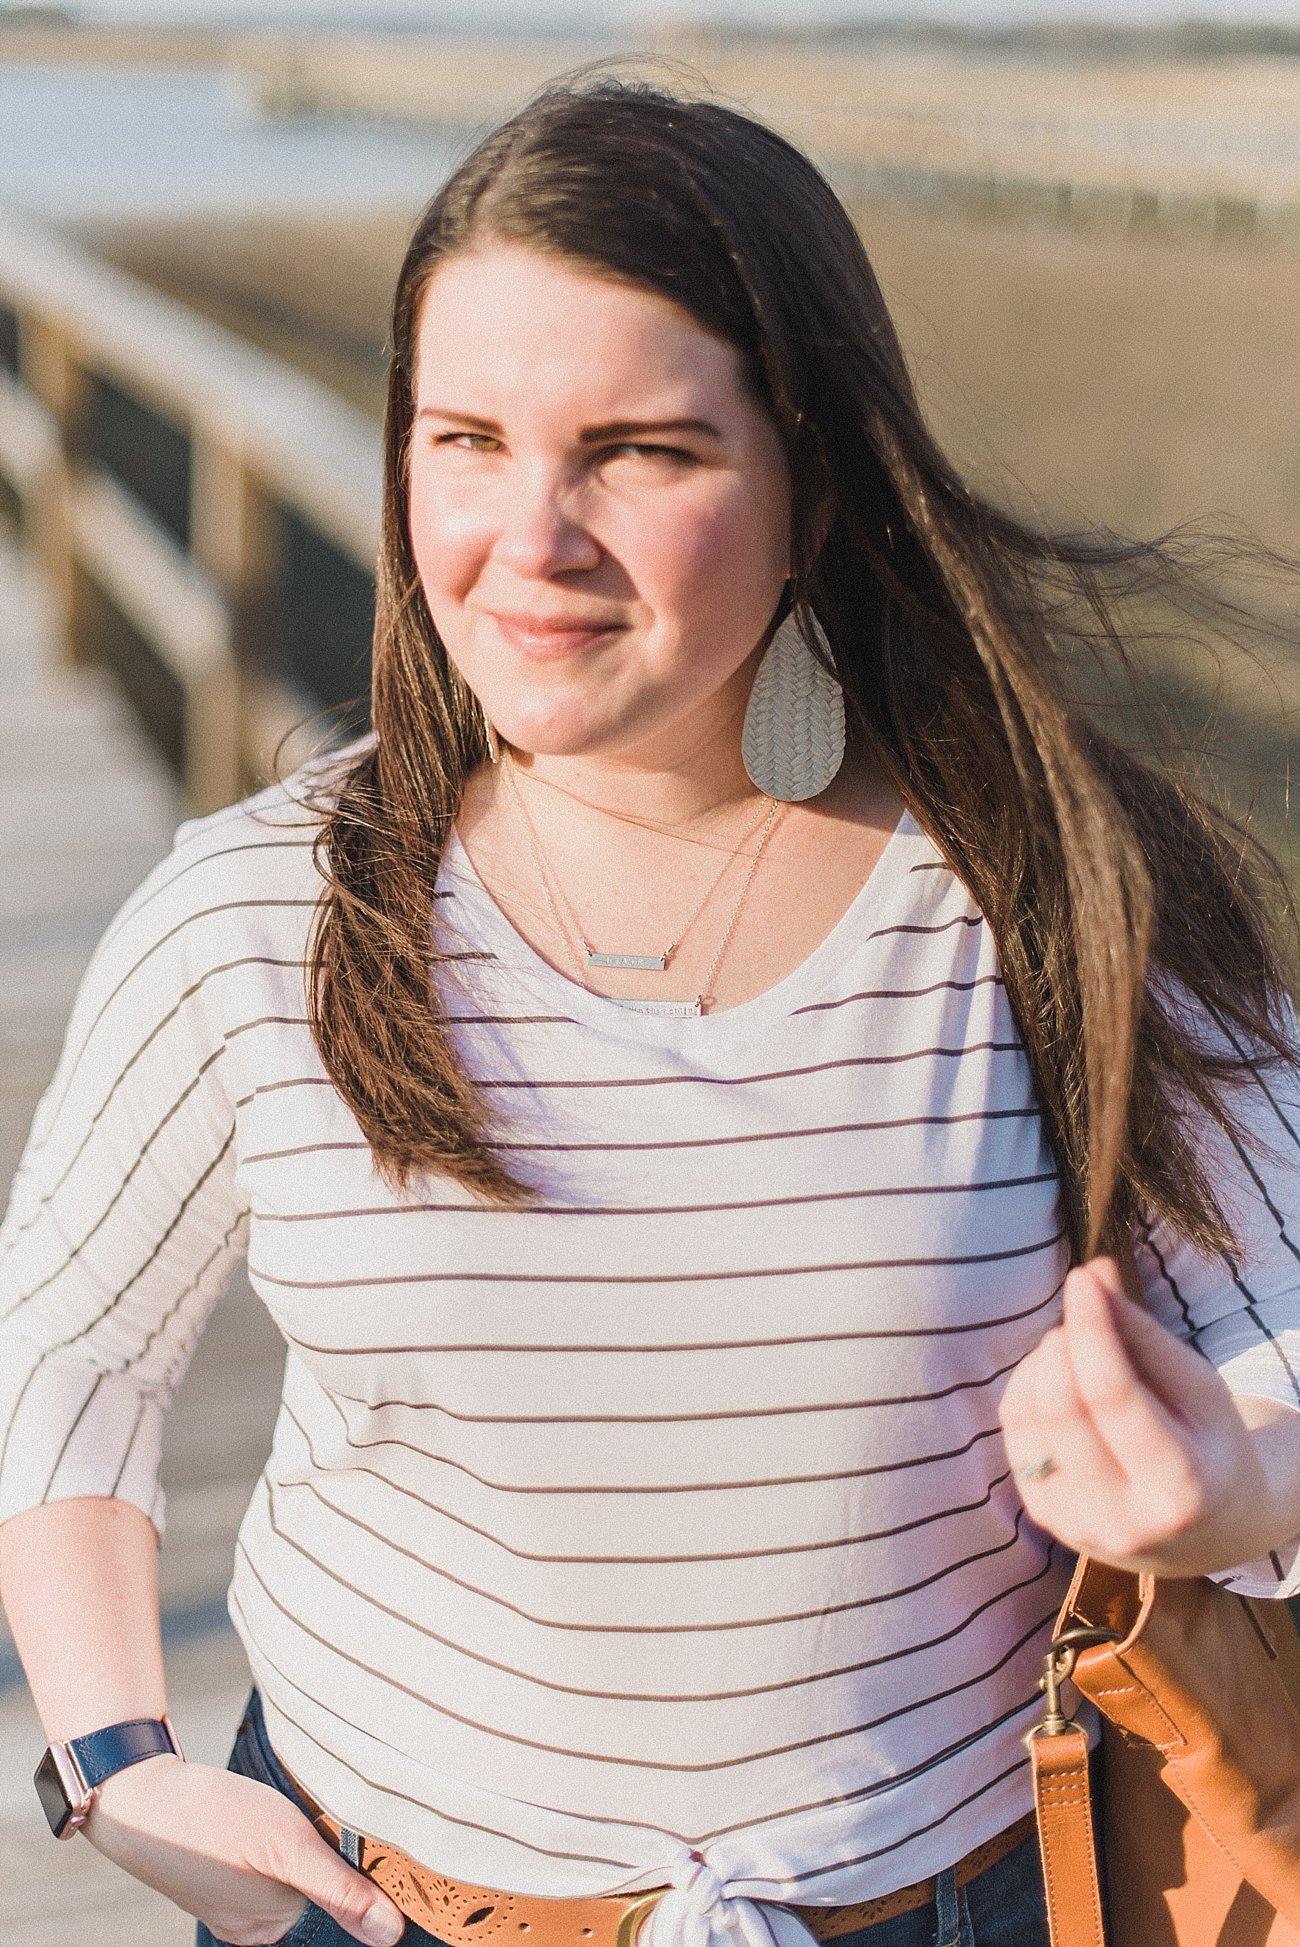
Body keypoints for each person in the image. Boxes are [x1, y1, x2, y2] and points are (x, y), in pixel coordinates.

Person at [2, 77, 1299, 1947]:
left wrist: (1221, 1483)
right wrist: (115, 1759)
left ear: (814, 485)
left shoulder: (1055, 894)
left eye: (640, 451)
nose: (532, 537)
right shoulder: (257, 912)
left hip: (953, 1900)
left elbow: (1277, 1322)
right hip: (369, 1902)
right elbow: (71, 1351)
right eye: (466, 439)